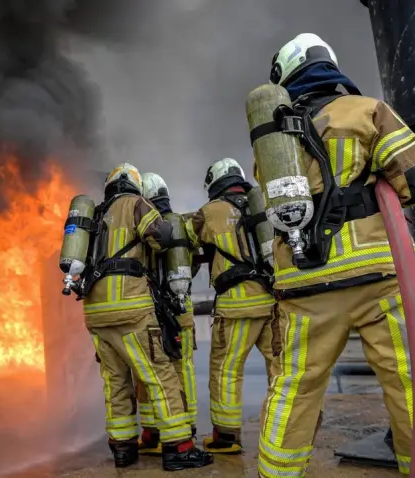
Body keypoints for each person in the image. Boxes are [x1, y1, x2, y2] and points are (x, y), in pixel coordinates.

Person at [253, 33, 415, 477]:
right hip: (381, 279)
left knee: (293, 390)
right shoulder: (366, 110)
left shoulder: (274, 141)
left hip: (303, 283)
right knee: (413, 386)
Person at [78, 163, 213, 471]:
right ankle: (179, 448)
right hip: (130, 309)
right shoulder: (137, 204)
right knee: (159, 375)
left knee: (115, 382)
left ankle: (123, 449)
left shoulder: (96, 215)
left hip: (96, 314)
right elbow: (160, 237)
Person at [185, 158, 281, 454]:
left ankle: (226, 436)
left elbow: (181, 239)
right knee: (280, 368)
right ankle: (284, 431)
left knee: (226, 369)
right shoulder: (263, 207)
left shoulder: (211, 211)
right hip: (272, 300)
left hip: (236, 305)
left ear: (214, 182)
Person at [135, 172, 200, 455]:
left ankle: (152, 431)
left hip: (150, 313)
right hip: (180, 311)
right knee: (182, 369)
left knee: (148, 371)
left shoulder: (141, 227)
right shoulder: (181, 226)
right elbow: (193, 263)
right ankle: (187, 428)